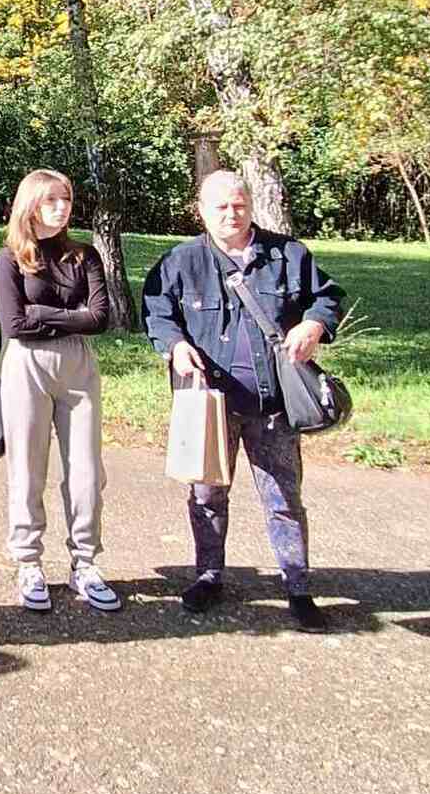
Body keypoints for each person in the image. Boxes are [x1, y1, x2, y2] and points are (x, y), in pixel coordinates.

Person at [141, 167, 346, 631]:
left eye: (239, 205)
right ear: (201, 211)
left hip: (274, 406)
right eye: (221, 206)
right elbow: (157, 314)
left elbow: (327, 297)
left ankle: (298, 587)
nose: (231, 214)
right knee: (207, 495)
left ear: (251, 206)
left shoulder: (289, 255)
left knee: (284, 498)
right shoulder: (179, 262)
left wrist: (313, 325)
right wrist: (175, 346)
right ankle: (209, 576)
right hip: (208, 406)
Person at [0, 170, 118, 616]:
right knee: (27, 467)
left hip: (78, 366)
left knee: (87, 470)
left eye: (66, 199)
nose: (62, 207)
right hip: (26, 365)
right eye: (51, 200)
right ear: (30, 205)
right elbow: (15, 324)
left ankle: (85, 562)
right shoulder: (10, 259)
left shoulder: (84, 256)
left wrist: (41, 313)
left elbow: (100, 318)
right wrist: (69, 315)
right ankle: (28, 562)